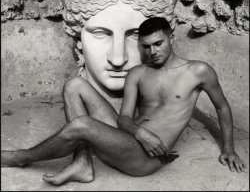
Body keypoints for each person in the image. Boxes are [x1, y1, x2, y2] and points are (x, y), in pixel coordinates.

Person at [2, 17, 247, 186]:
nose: (153, 52)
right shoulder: (138, 73)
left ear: (171, 37)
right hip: (126, 141)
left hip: (144, 159)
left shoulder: (198, 71)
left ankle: (21, 157)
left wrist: (228, 148)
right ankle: (82, 164)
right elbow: (124, 119)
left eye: (159, 44)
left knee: (82, 125)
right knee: (74, 84)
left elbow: (222, 107)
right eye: (146, 46)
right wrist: (140, 132)